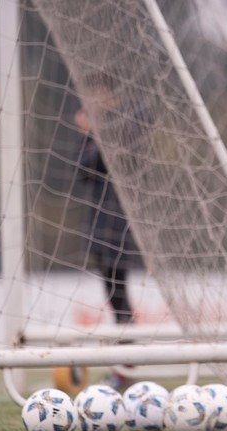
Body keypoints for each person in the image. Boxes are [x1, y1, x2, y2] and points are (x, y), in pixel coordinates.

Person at [74, 85, 136, 326]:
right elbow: (83, 170)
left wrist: (89, 132)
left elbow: (98, 161)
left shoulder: (123, 124)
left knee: (118, 288)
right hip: (99, 224)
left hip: (119, 223)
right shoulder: (95, 131)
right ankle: (126, 345)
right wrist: (86, 133)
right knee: (112, 289)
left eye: (99, 93)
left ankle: (128, 347)